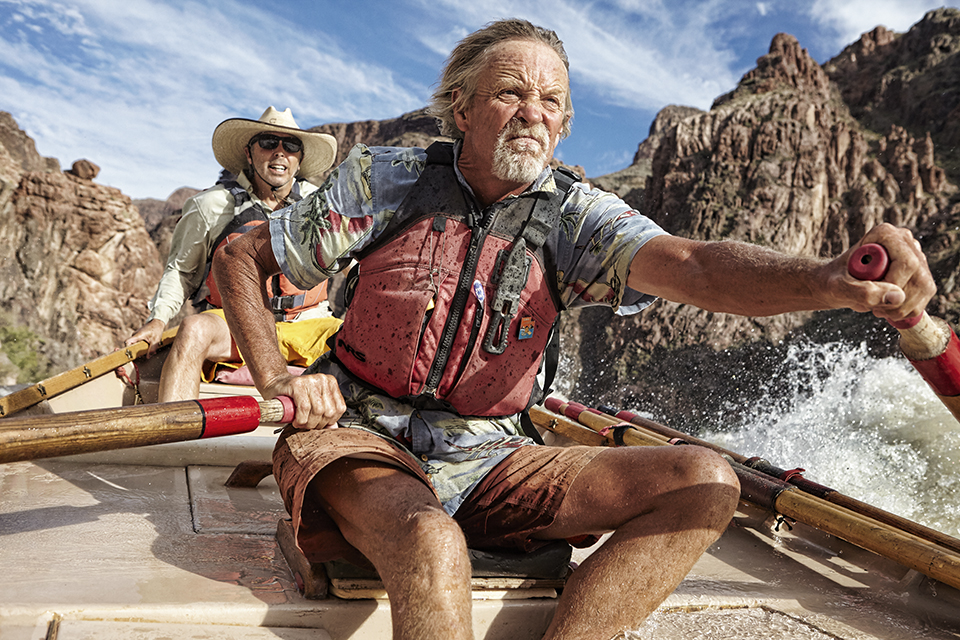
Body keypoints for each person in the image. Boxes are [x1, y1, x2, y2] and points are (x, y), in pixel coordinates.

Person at [213, 20, 936, 640]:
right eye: (511, 93)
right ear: (461, 110)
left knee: (706, 481)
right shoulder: (384, 181)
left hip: (493, 454)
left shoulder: (577, 218)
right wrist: (279, 380)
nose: (534, 112)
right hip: (361, 433)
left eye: (551, 101)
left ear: (563, 126)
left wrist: (826, 279)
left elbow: (695, 267)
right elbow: (242, 255)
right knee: (430, 541)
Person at [126, 107, 342, 402]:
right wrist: (158, 320)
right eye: (268, 142)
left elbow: (358, 263)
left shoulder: (322, 205)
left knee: (367, 341)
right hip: (236, 325)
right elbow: (181, 271)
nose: (280, 153)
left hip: (308, 325)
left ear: (299, 158)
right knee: (193, 329)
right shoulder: (210, 205)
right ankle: (174, 436)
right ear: (249, 152)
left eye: (290, 146)